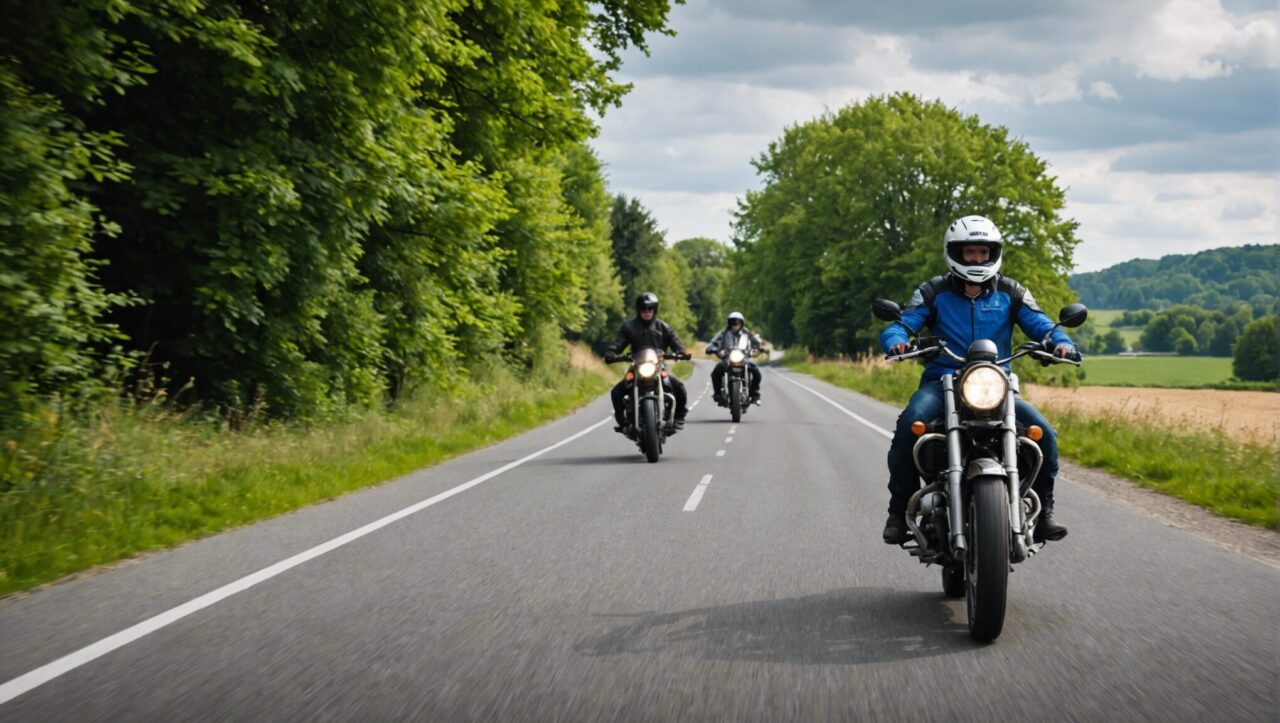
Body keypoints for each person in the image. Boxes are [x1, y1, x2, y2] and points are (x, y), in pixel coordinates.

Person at [879, 215, 1080, 546]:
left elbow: (1043, 324)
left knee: (1043, 431)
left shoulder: (1011, 292)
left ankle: (1045, 514)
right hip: (942, 381)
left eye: (982, 252)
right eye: (969, 252)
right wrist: (897, 341)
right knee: (910, 423)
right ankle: (898, 511)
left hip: (995, 384)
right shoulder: (933, 292)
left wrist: (1061, 343)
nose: (976, 259)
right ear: (955, 253)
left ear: (993, 253)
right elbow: (902, 324)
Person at [604, 292, 692, 431]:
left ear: (655, 309)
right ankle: (623, 422)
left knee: (679, 386)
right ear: (639, 309)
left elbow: (675, 342)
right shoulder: (629, 327)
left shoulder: (663, 327)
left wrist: (681, 351)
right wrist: (612, 352)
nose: (647, 312)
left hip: (658, 366)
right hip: (636, 367)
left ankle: (679, 416)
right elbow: (619, 343)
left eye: (650, 308)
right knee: (616, 392)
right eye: (643, 308)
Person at [706, 311, 763, 405]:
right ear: (729, 323)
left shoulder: (746, 332)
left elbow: (756, 342)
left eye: (737, 322)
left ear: (741, 323)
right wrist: (713, 349)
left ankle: (754, 394)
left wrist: (758, 348)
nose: (735, 324)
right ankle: (718, 394)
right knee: (715, 372)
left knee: (756, 372)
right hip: (727, 359)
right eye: (733, 322)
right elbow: (713, 343)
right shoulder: (723, 333)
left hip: (744, 359)